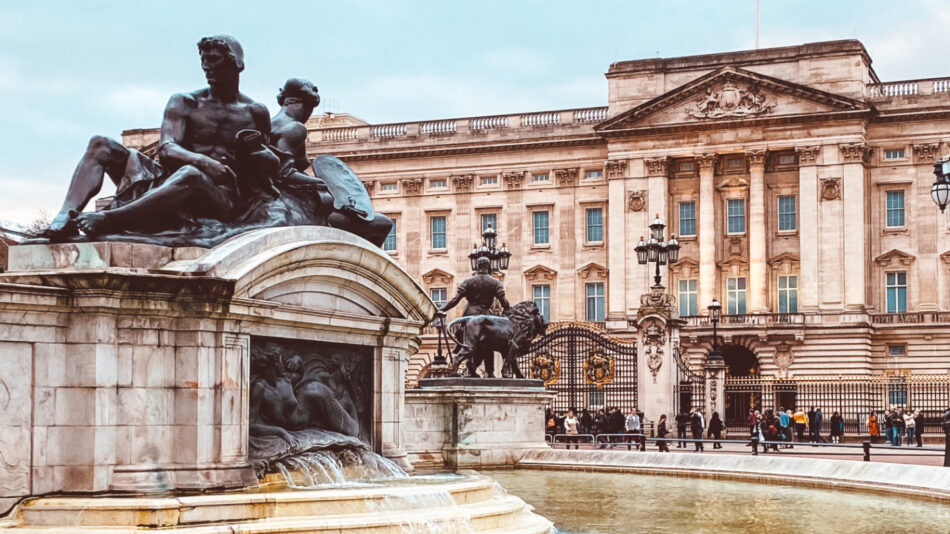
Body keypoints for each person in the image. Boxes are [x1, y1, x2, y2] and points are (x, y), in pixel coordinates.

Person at [46, 35, 278, 239]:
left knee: (191, 174)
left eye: (214, 59)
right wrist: (204, 161)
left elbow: (268, 171)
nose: (206, 66)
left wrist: (260, 154)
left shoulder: (255, 112)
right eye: (203, 60)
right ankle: (65, 217)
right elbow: (166, 149)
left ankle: (111, 219)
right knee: (100, 145)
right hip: (169, 181)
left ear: (236, 62)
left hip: (220, 198)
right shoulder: (185, 102)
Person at [269, 78, 393, 246]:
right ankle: (354, 268)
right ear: (306, 105)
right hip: (298, 208)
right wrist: (318, 183)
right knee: (383, 224)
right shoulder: (294, 128)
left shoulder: (271, 123)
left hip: (280, 202)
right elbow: (283, 173)